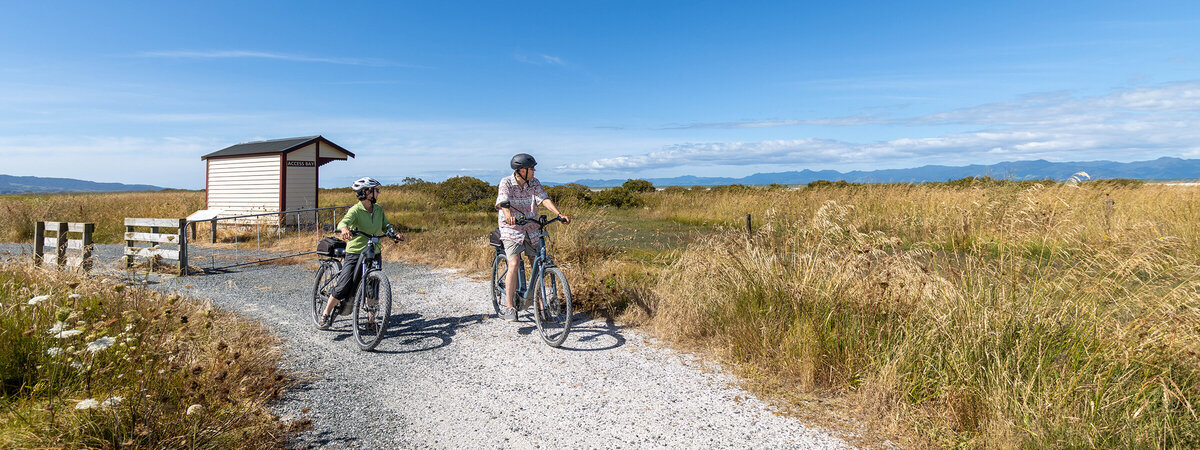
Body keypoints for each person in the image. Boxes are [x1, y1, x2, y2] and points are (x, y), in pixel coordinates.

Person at [318, 177, 401, 330]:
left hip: (374, 251)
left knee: (372, 287)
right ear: (366, 192)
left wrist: (393, 234)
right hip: (355, 252)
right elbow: (343, 222)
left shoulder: (378, 210)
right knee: (344, 286)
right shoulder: (356, 210)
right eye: (376, 190)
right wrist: (344, 229)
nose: (378, 193)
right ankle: (326, 313)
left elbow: (386, 225)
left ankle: (371, 321)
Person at [495, 153, 570, 321]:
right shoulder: (506, 182)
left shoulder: (534, 183)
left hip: (531, 226)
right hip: (511, 227)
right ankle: (509, 307)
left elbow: (544, 199)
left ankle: (541, 306)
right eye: (531, 169)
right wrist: (508, 215)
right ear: (521, 170)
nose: (534, 171)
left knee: (536, 263)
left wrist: (559, 214)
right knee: (514, 263)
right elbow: (504, 202)